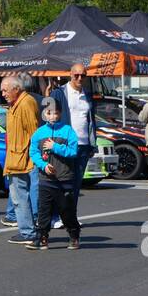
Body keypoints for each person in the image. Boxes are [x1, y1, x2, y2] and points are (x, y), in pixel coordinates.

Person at [27, 99, 82, 251]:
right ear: (44, 114)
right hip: (46, 179)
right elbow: (33, 152)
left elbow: (73, 152)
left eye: (56, 113)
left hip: (64, 178)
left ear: (61, 113)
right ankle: (42, 237)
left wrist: (55, 147)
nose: (53, 116)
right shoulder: (39, 133)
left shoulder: (68, 131)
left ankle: (74, 235)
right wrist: (43, 165)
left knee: (66, 210)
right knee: (44, 210)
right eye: (49, 113)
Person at [0, 75, 41, 244]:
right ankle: (29, 230)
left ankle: (28, 233)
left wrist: (35, 157)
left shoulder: (25, 103)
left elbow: (34, 132)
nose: (2, 93)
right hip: (17, 159)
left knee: (20, 197)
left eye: (5, 90)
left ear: (16, 89)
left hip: (23, 159)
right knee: (20, 197)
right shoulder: (16, 104)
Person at [50, 63, 97, 210]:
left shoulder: (87, 95)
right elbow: (49, 118)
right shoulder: (59, 93)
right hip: (64, 144)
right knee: (61, 181)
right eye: (76, 75)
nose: (79, 78)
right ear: (70, 75)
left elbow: (91, 120)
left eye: (83, 75)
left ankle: (70, 217)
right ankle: (56, 216)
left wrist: (92, 144)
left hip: (82, 146)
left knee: (76, 184)